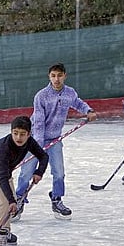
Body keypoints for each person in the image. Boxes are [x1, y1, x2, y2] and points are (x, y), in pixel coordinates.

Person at [15, 63, 97, 220]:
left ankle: (57, 199)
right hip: (35, 140)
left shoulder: (69, 93)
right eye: (53, 76)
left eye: (59, 75)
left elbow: (78, 103)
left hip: (55, 139)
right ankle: (19, 199)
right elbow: (38, 122)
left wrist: (88, 111)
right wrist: (39, 146)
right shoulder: (41, 96)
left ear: (65, 75)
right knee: (27, 172)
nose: (56, 79)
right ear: (49, 77)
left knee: (59, 172)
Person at [0, 115, 48, 246]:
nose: (18, 138)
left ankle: (0, 229)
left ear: (29, 134)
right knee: (6, 201)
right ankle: (1, 234)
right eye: (15, 133)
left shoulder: (29, 142)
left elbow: (43, 156)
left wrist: (39, 172)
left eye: (22, 134)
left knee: (10, 202)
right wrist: (11, 200)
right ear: (11, 132)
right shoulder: (4, 148)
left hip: (5, 174)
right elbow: (2, 177)